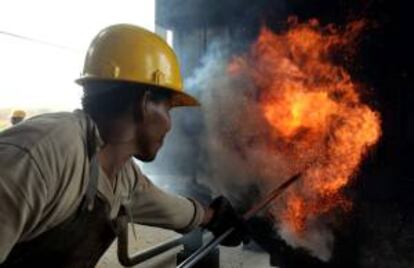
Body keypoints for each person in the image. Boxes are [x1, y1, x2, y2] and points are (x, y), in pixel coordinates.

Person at [0, 24, 244, 267]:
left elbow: (167, 208)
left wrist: (212, 216)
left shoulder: (122, 175)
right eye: (168, 109)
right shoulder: (43, 155)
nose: (169, 125)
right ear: (145, 103)